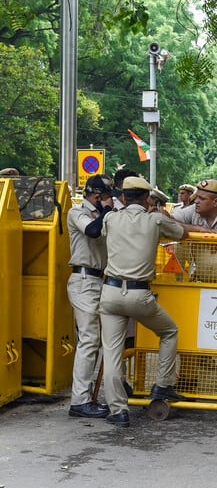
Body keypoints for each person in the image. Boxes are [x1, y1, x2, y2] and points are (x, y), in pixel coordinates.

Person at [99, 176, 189, 427]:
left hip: (111, 292)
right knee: (169, 331)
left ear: (124, 197)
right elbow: (182, 233)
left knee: (112, 353)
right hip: (140, 294)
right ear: (148, 198)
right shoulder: (156, 220)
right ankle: (162, 385)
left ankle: (118, 411)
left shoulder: (110, 218)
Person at [66, 175, 114, 418]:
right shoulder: (77, 212)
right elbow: (93, 232)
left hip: (99, 280)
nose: (110, 201)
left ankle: (89, 397)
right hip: (84, 280)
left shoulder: (101, 214)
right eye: (106, 197)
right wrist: (105, 212)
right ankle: (80, 401)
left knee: (98, 340)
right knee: (89, 339)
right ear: (97, 196)